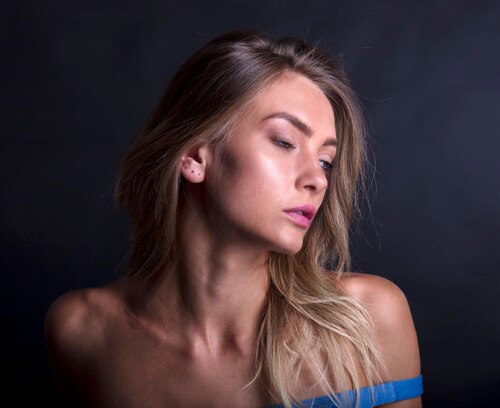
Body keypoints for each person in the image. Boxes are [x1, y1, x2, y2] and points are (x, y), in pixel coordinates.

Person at [44, 29, 423, 408]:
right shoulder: (82, 332)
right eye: (285, 142)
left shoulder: (369, 320)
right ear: (195, 157)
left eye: (326, 161)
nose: (318, 179)